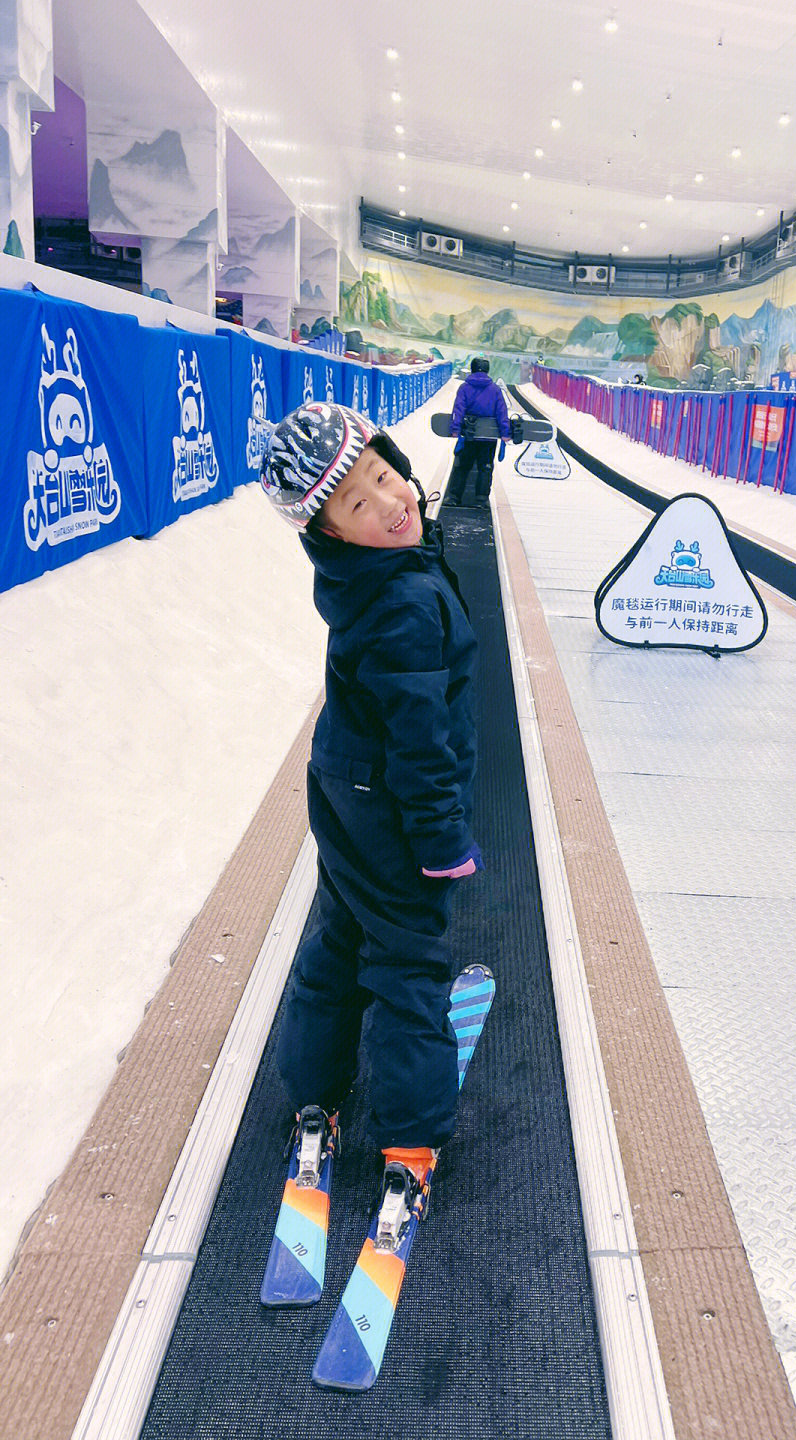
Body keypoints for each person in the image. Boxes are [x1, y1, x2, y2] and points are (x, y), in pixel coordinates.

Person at [259, 401, 481, 1206]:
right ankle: (412, 1137)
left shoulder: (371, 577)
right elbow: (421, 745)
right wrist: (442, 838)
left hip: (344, 791)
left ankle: (315, 1092)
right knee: (408, 961)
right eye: (359, 501)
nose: (391, 502)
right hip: (389, 810)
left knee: (342, 932)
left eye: (386, 478)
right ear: (330, 532)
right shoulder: (404, 607)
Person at [443, 356, 511, 508]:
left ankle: (454, 497)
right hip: (489, 437)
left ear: (472, 369)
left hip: (469, 435)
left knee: (462, 466)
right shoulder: (495, 390)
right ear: (487, 371)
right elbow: (502, 413)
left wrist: (455, 429)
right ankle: (481, 500)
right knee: (485, 467)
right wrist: (505, 432)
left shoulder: (464, 388)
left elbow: (458, 410)